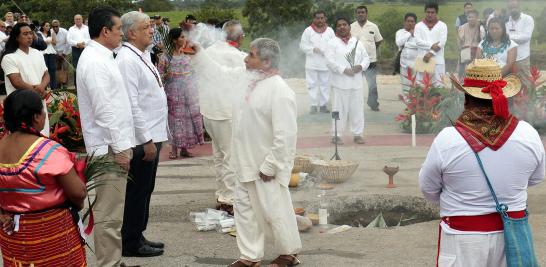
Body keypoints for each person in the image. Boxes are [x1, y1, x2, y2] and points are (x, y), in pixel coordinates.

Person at [419, 59, 544, 266]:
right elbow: (536, 177)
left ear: (467, 97)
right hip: (513, 236)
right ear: (502, 96)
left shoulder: (447, 139)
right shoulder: (528, 134)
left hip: (463, 238)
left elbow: (428, 189)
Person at [192, 37, 302, 267]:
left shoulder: (279, 90)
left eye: (251, 55)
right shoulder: (247, 79)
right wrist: (199, 53)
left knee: (275, 210)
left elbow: (286, 135)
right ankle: (250, 256)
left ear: (266, 61)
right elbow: (219, 73)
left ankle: (288, 253)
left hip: (265, 165)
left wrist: (271, 165)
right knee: (244, 211)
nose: (245, 58)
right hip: (243, 161)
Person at [0, 89, 87, 266]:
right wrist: (77, 204)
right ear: (36, 117)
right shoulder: (49, 150)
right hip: (51, 236)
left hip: (14, 240)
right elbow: (78, 193)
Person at [76, 7, 134, 266]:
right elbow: (104, 111)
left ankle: (114, 259)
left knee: (113, 212)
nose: (122, 33)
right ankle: (108, 263)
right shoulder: (95, 61)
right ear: (105, 31)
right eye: (119, 28)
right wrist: (121, 148)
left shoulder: (103, 56)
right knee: (108, 215)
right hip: (109, 148)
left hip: (113, 144)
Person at [117, 11, 168, 257]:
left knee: (146, 189)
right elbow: (131, 104)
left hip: (152, 134)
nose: (151, 30)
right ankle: (130, 241)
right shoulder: (127, 60)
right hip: (141, 138)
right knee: (137, 191)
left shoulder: (143, 55)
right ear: (131, 33)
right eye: (146, 27)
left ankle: (138, 233)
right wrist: (146, 140)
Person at [200, 20, 247, 215]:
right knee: (231, 156)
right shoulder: (237, 56)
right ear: (239, 37)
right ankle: (229, 199)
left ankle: (222, 194)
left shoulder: (208, 51)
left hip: (208, 110)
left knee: (219, 155)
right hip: (226, 111)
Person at [157, 28, 204, 159]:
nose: (185, 39)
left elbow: (194, 71)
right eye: (182, 37)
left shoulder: (186, 55)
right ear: (174, 40)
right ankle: (173, 149)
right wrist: (168, 75)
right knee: (176, 120)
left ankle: (184, 148)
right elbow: (159, 76)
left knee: (187, 120)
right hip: (173, 93)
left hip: (188, 92)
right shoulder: (165, 57)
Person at [1, 22, 50, 136]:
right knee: (24, 139)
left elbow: (46, 74)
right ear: (17, 37)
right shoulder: (9, 57)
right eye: (25, 34)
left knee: (43, 136)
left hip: (39, 101)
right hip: (20, 106)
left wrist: (42, 87)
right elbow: (16, 82)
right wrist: (38, 91)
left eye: (31, 33)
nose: (29, 36)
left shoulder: (37, 53)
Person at [326, 18, 370, 145]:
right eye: (339, 25)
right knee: (338, 110)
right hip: (339, 83)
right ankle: (336, 135)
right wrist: (343, 70)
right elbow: (329, 61)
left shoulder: (356, 42)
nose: (342, 27)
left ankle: (357, 134)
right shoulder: (332, 43)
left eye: (344, 24)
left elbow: (366, 59)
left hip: (356, 83)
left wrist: (360, 67)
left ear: (349, 27)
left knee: (357, 110)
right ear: (336, 28)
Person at [300, 10, 335, 114]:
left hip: (326, 64)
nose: (320, 20)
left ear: (325, 19)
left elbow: (334, 45)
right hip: (312, 64)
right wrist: (312, 49)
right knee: (312, 85)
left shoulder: (330, 31)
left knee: (325, 85)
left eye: (322, 18)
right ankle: (313, 105)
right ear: (313, 19)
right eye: (317, 18)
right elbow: (302, 46)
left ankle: (324, 105)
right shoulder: (308, 30)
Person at [351, 5, 383, 111]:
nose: (360, 14)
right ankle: (354, 103)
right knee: (355, 83)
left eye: (363, 12)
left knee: (372, 84)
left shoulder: (373, 26)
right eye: (358, 12)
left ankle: (373, 104)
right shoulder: (351, 27)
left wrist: (370, 50)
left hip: (370, 61)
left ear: (366, 13)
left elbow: (378, 41)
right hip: (356, 62)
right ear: (356, 14)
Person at [414, 2, 448, 87]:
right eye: (428, 12)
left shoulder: (442, 25)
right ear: (425, 12)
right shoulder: (418, 26)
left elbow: (442, 43)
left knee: (438, 85)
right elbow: (418, 41)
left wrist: (430, 53)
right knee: (421, 85)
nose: (430, 14)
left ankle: (438, 101)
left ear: (436, 13)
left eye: (432, 12)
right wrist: (431, 45)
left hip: (438, 60)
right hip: (422, 59)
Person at [505, 0, 534, 84]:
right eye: (510, 8)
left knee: (525, 81)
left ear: (519, 7)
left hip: (522, 57)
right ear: (508, 9)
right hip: (508, 57)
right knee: (510, 82)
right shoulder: (506, 20)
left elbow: (526, 37)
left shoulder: (528, 19)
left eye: (515, 7)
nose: (513, 10)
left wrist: (508, 37)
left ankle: (530, 97)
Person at [457, 10, 485, 78]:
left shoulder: (481, 27)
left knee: (476, 70)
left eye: (473, 17)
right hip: (465, 49)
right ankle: (461, 81)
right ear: (467, 18)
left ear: (477, 18)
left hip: (477, 50)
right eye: (469, 17)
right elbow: (460, 40)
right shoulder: (462, 27)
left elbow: (483, 41)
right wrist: (460, 48)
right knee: (463, 71)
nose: (471, 19)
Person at [396, 13, 418, 91]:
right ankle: (407, 100)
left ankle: (416, 100)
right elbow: (399, 43)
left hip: (416, 63)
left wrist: (406, 45)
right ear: (404, 22)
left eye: (412, 21)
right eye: (408, 21)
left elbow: (419, 45)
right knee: (405, 84)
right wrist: (409, 34)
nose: (410, 23)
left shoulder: (419, 33)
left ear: (415, 23)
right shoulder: (400, 32)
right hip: (404, 63)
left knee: (416, 84)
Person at [67, 14, 90, 86]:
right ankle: (77, 86)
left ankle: (87, 84)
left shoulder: (87, 28)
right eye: (76, 19)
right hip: (75, 50)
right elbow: (68, 40)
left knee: (87, 66)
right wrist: (77, 44)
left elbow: (91, 38)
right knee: (76, 67)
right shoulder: (71, 29)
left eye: (79, 19)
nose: (78, 20)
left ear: (82, 19)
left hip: (86, 49)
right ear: (74, 20)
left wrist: (83, 43)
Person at [38, 21, 57, 89]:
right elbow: (38, 42)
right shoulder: (39, 33)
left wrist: (50, 41)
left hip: (51, 52)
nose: (48, 27)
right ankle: (44, 87)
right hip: (43, 53)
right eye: (46, 26)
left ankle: (53, 87)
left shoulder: (51, 33)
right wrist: (45, 42)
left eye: (49, 26)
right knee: (44, 70)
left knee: (52, 69)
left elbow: (55, 42)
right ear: (43, 26)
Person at [52, 20, 70, 89]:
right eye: (54, 26)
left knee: (65, 68)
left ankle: (65, 85)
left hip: (65, 52)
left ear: (59, 26)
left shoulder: (64, 31)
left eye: (56, 26)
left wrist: (64, 53)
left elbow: (68, 43)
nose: (55, 28)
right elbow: (51, 44)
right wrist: (56, 53)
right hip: (55, 53)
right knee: (57, 69)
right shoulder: (51, 32)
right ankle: (58, 85)